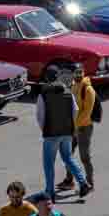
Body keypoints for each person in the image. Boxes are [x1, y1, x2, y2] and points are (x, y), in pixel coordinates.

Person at [35, 67, 89, 201]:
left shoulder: (44, 93)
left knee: (49, 163)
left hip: (51, 133)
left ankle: (50, 191)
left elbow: (40, 115)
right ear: (58, 76)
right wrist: (70, 126)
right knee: (68, 157)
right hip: (67, 132)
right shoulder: (67, 91)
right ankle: (83, 183)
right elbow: (75, 110)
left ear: (47, 78)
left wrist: (44, 129)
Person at [57, 66, 97, 194]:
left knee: (85, 157)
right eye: (76, 72)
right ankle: (69, 181)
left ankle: (89, 183)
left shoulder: (88, 89)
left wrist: (75, 127)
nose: (78, 74)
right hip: (73, 128)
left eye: (80, 72)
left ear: (83, 73)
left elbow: (87, 112)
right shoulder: (73, 86)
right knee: (68, 155)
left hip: (84, 128)